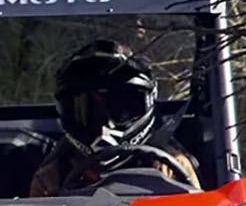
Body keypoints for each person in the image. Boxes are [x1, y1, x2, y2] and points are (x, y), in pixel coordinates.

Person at [28, 39, 201, 196]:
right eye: (88, 111)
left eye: (121, 107)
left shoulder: (171, 166)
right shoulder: (53, 175)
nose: (105, 126)